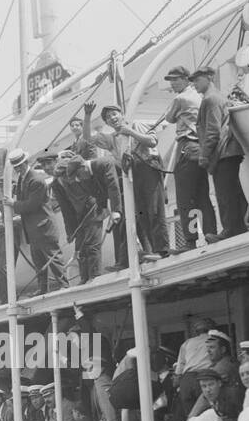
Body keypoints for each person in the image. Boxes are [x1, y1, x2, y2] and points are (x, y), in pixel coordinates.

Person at [154, 65, 215, 248]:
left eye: (175, 79)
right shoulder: (200, 96)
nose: (172, 83)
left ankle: (190, 240)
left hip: (186, 147)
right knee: (202, 195)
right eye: (171, 80)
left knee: (184, 198)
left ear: (185, 79)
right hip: (200, 148)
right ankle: (211, 233)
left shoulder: (181, 98)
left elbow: (170, 118)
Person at [98, 105, 167, 262]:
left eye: (114, 114)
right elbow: (90, 138)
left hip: (148, 169)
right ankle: (155, 250)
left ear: (122, 114)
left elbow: (152, 141)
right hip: (132, 175)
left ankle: (163, 249)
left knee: (155, 210)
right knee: (142, 214)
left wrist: (129, 132)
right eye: (108, 117)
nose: (112, 118)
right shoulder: (114, 138)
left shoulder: (136, 124)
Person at [191, 67, 248, 241]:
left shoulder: (210, 99)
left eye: (197, 80)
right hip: (229, 152)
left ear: (209, 78)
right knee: (232, 193)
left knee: (225, 194)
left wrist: (204, 155)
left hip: (223, 153)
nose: (194, 84)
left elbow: (213, 131)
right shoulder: (218, 97)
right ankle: (238, 229)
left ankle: (230, 231)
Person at [52, 151, 121, 283]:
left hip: (93, 211)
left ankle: (95, 277)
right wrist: (70, 231)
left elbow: (93, 193)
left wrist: (92, 208)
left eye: (66, 176)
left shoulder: (79, 177)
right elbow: (66, 210)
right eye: (63, 178)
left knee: (92, 244)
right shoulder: (58, 184)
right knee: (80, 249)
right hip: (79, 217)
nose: (67, 180)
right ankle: (84, 278)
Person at [9, 148, 68, 294]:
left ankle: (64, 285)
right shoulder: (24, 179)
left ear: (26, 163)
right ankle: (43, 288)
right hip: (35, 228)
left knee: (53, 257)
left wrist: (13, 204)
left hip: (44, 227)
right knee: (39, 260)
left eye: (19, 166)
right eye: (16, 167)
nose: (18, 169)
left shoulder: (36, 180)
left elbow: (31, 205)